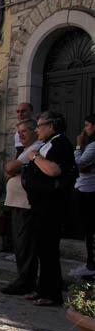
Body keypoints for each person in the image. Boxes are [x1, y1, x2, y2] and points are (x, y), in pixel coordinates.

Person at [22, 111, 75, 306]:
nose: (37, 129)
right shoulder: (51, 143)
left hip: (50, 207)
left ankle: (52, 294)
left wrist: (34, 157)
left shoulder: (60, 143)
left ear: (51, 126)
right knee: (42, 249)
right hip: (41, 206)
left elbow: (54, 170)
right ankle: (42, 289)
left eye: (40, 125)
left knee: (49, 250)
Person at [0, 119, 43, 295]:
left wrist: (11, 171)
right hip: (17, 203)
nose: (21, 134)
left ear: (35, 131)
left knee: (25, 244)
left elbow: (11, 167)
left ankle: (26, 281)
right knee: (20, 244)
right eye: (19, 131)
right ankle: (23, 278)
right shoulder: (26, 150)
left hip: (25, 204)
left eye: (25, 131)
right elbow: (8, 171)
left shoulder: (36, 148)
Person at [69, 114, 95, 277]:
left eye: (87, 125)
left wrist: (78, 146)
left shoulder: (92, 146)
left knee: (89, 228)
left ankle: (91, 265)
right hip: (87, 188)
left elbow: (78, 163)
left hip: (88, 190)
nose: (85, 129)